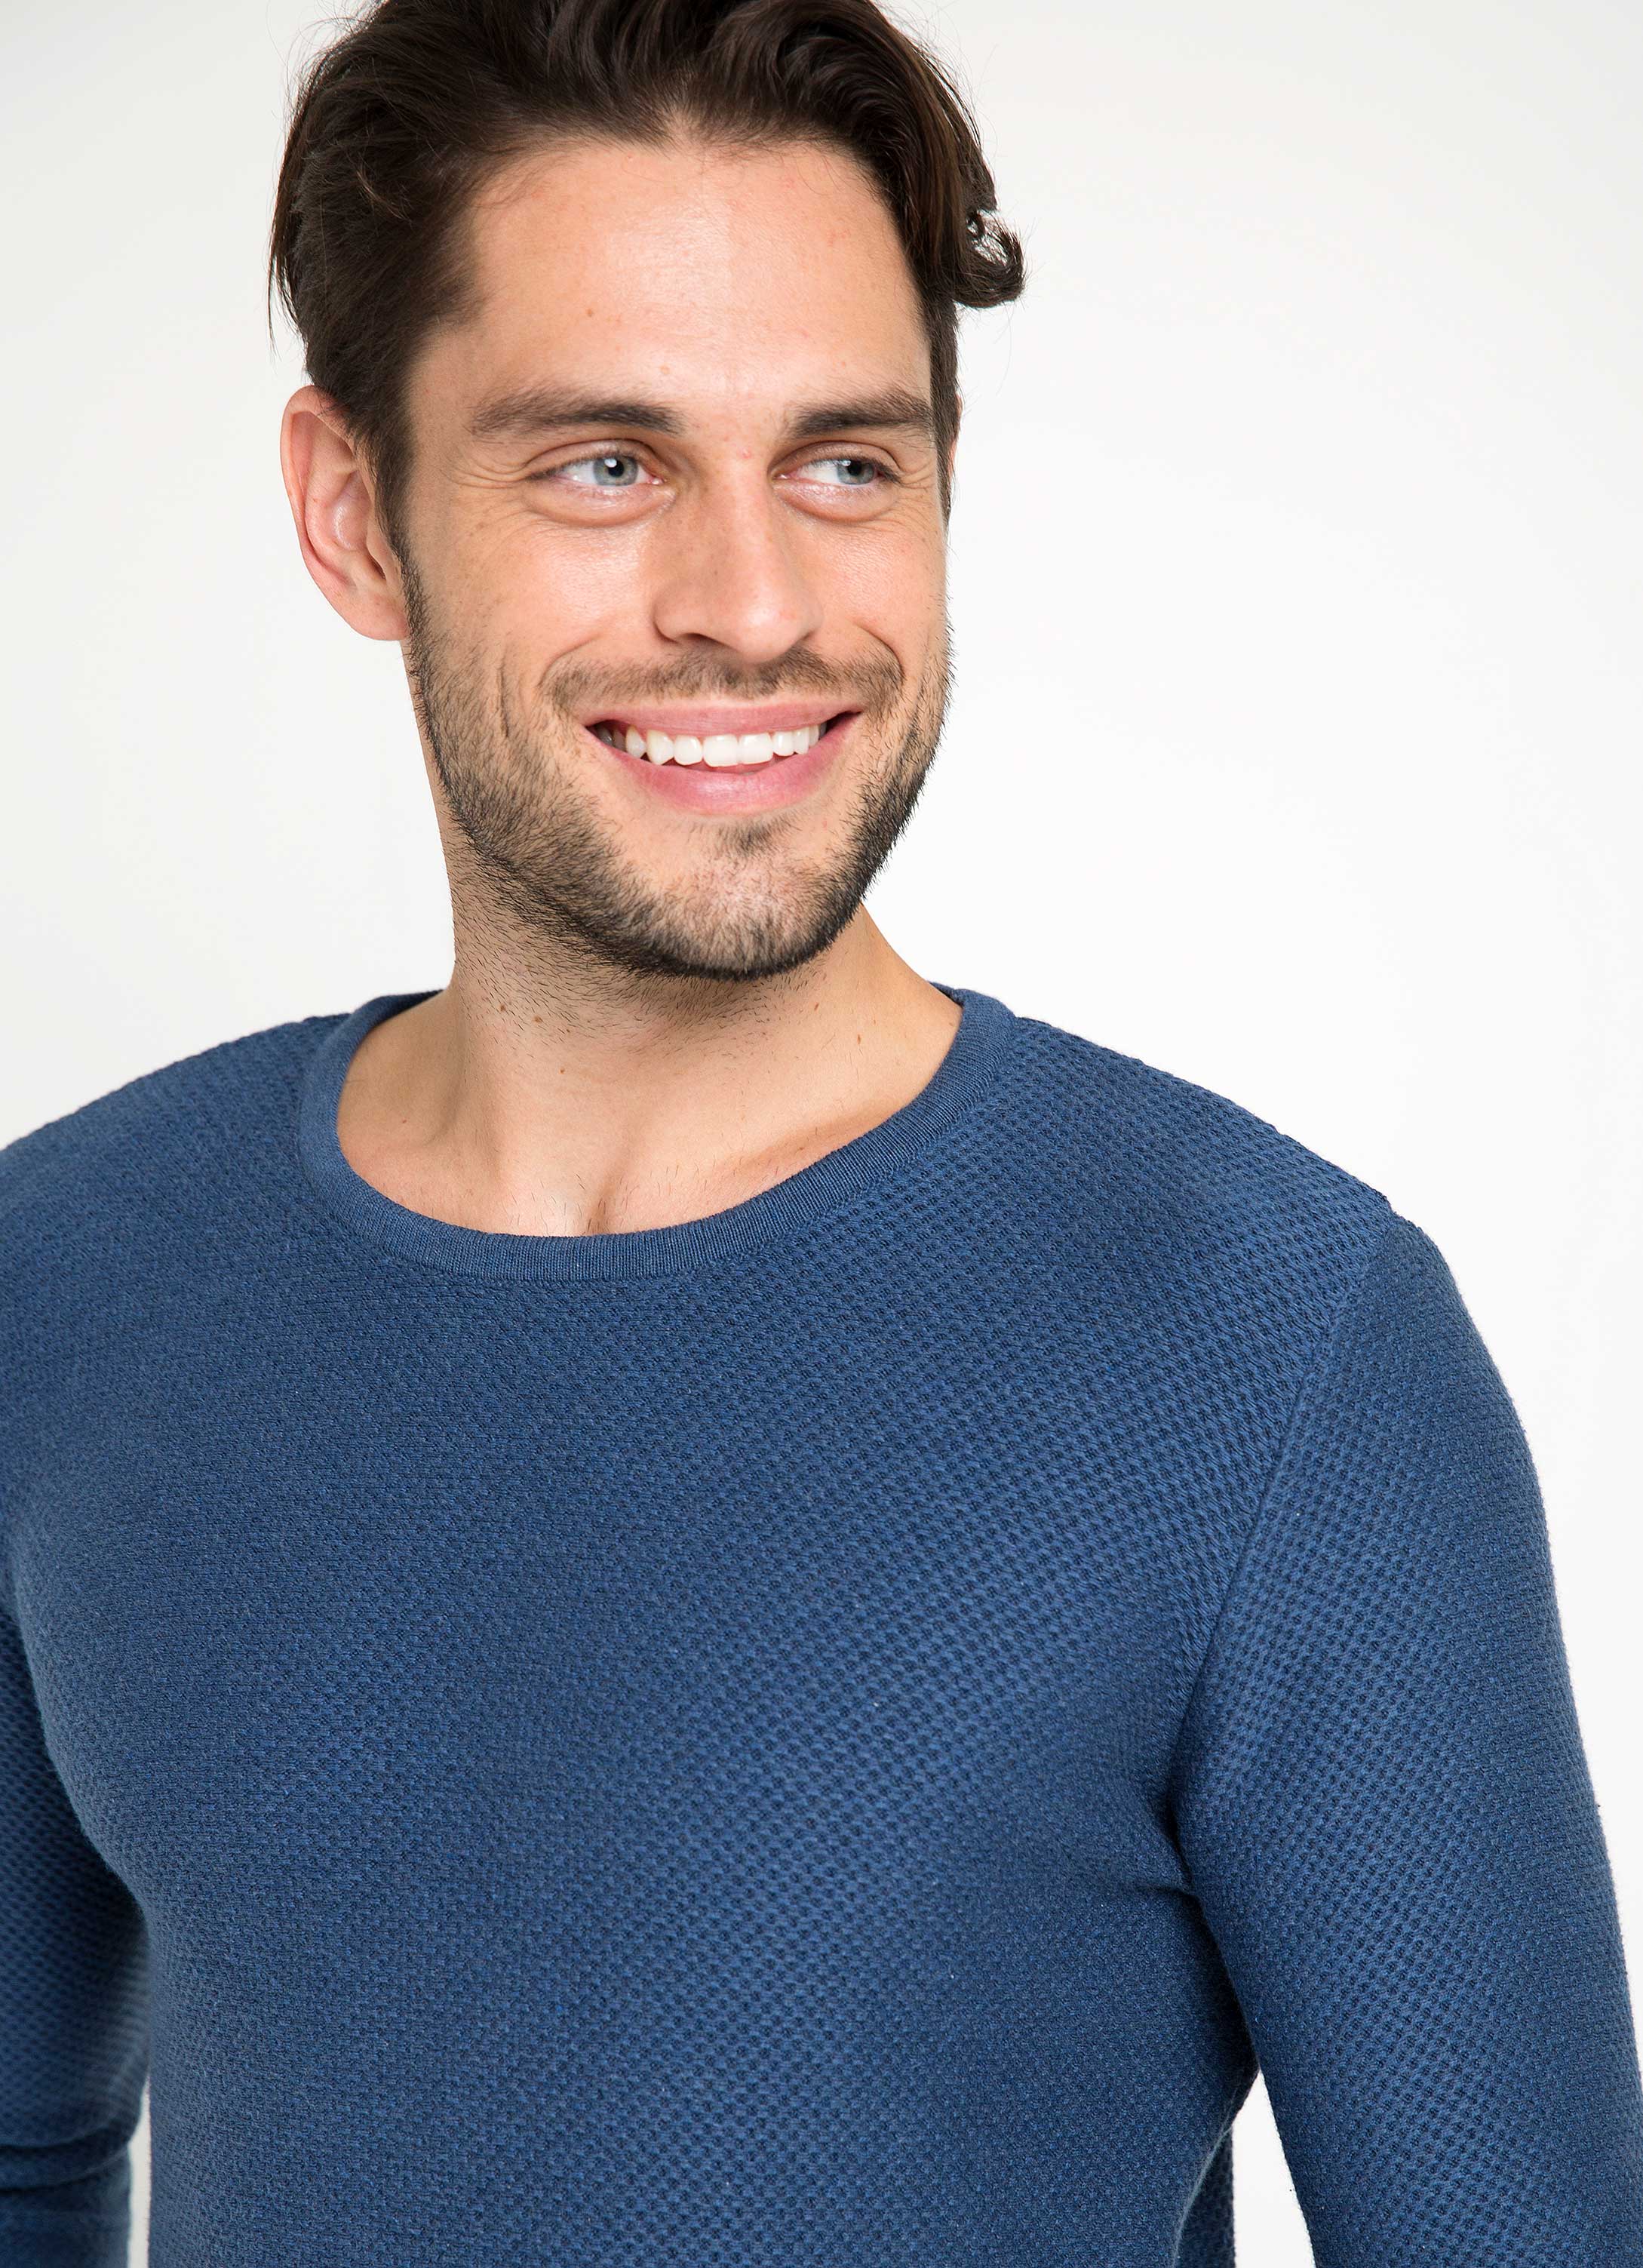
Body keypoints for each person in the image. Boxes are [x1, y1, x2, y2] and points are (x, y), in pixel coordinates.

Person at [3, 0, 1640, 2259]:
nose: (754, 607)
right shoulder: (69, 1281)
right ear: (353, 513)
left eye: (845, 464)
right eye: (606, 464)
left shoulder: (1272, 1349)